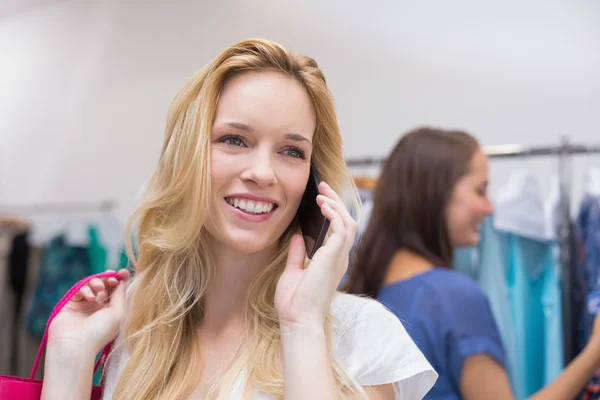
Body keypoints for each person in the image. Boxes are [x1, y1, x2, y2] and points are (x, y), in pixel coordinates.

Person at [40, 39, 438, 400]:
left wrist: (301, 325)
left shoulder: (358, 336)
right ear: (188, 157)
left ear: (313, 180)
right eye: (234, 140)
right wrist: (69, 357)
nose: (263, 173)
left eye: (292, 151)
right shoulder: (135, 322)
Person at [344, 127, 600, 400]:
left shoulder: (369, 288)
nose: (490, 208)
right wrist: (594, 351)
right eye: (480, 191)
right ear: (437, 193)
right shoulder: (452, 297)